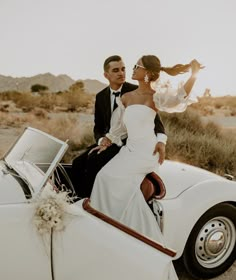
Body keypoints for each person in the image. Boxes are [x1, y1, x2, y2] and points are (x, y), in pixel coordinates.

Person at [90, 54, 203, 244]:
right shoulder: (126, 97)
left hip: (147, 152)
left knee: (115, 179)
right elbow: (119, 127)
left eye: (136, 66)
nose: (132, 69)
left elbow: (180, 97)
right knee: (103, 177)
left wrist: (193, 75)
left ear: (147, 73)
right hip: (129, 150)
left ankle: (120, 227)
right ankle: (108, 226)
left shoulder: (155, 97)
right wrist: (106, 140)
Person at [71, 55, 167, 198]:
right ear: (106, 75)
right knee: (77, 162)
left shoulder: (137, 91)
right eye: (116, 70)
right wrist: (101, 140)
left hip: (128, 145)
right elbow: (98, 127)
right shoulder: (101, 96)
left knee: (94, 162)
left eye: (123, 69)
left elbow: (157, 124)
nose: (121, 73)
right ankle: (76, 198)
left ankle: (92, 201)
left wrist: (161, 141)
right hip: (109, 141)